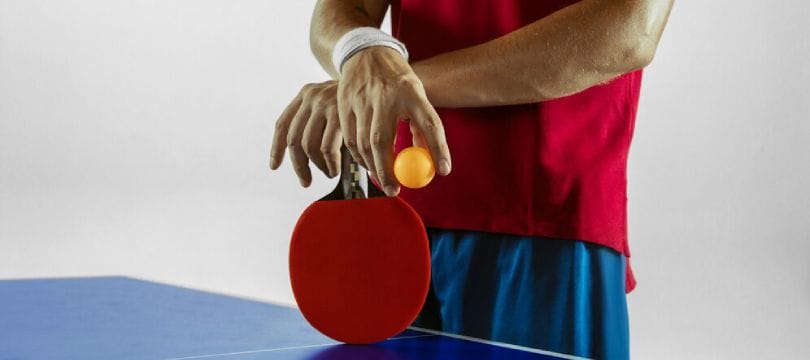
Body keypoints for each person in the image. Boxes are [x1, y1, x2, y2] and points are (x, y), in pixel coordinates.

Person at [271, 0, 673, 358]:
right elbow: (345, 9)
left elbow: (630, 29)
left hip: (547, 227)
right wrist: (358, 50)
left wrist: (393, 85)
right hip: (400, 230)